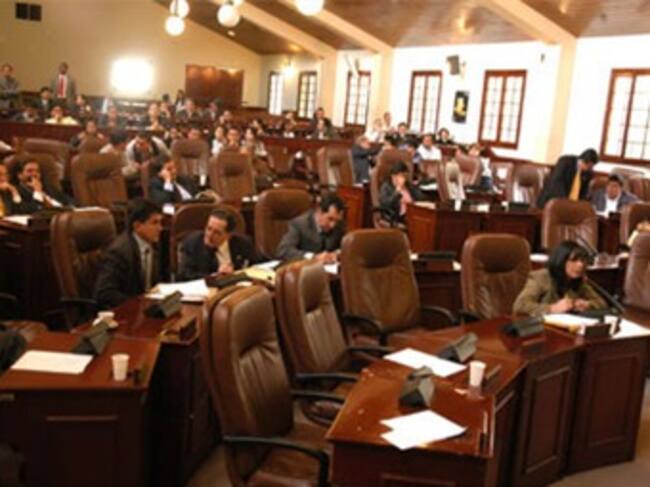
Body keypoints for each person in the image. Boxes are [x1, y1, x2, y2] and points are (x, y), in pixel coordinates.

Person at [94, 199, 163, 309]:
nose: (160, 228)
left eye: (160, 222)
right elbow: (105, 292)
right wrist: (139, 304)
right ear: (137, 226)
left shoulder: (153, 245)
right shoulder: (119, 252)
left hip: (146, 306)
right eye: (155, 223)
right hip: (124, 311)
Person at [513, 240, 608, 317]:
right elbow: (520, 306)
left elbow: (602, 303)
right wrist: (551, 308)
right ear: (561, 260)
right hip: (541, 329)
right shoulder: (541, 277)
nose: (580, 265)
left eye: (583, 260)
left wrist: (587, 304)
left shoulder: (578, 280)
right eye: (574, 260)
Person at [178, 209, 257, 281]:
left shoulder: (243, 243)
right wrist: (216, 276)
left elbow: (257, 264)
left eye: (217, 233)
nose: (209, 235)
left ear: (228, 235)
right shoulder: (192, 243)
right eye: (209, 228)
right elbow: (185, 275)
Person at [276, 193, 346, 263]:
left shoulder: (339, 225)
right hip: (304, 267)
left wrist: (337, 254)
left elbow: (345, 247)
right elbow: (283, 251)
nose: (333, 225)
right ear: (319, 211)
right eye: (330, 219)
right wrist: (313, 257)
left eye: (337, 221)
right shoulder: (299, 224)